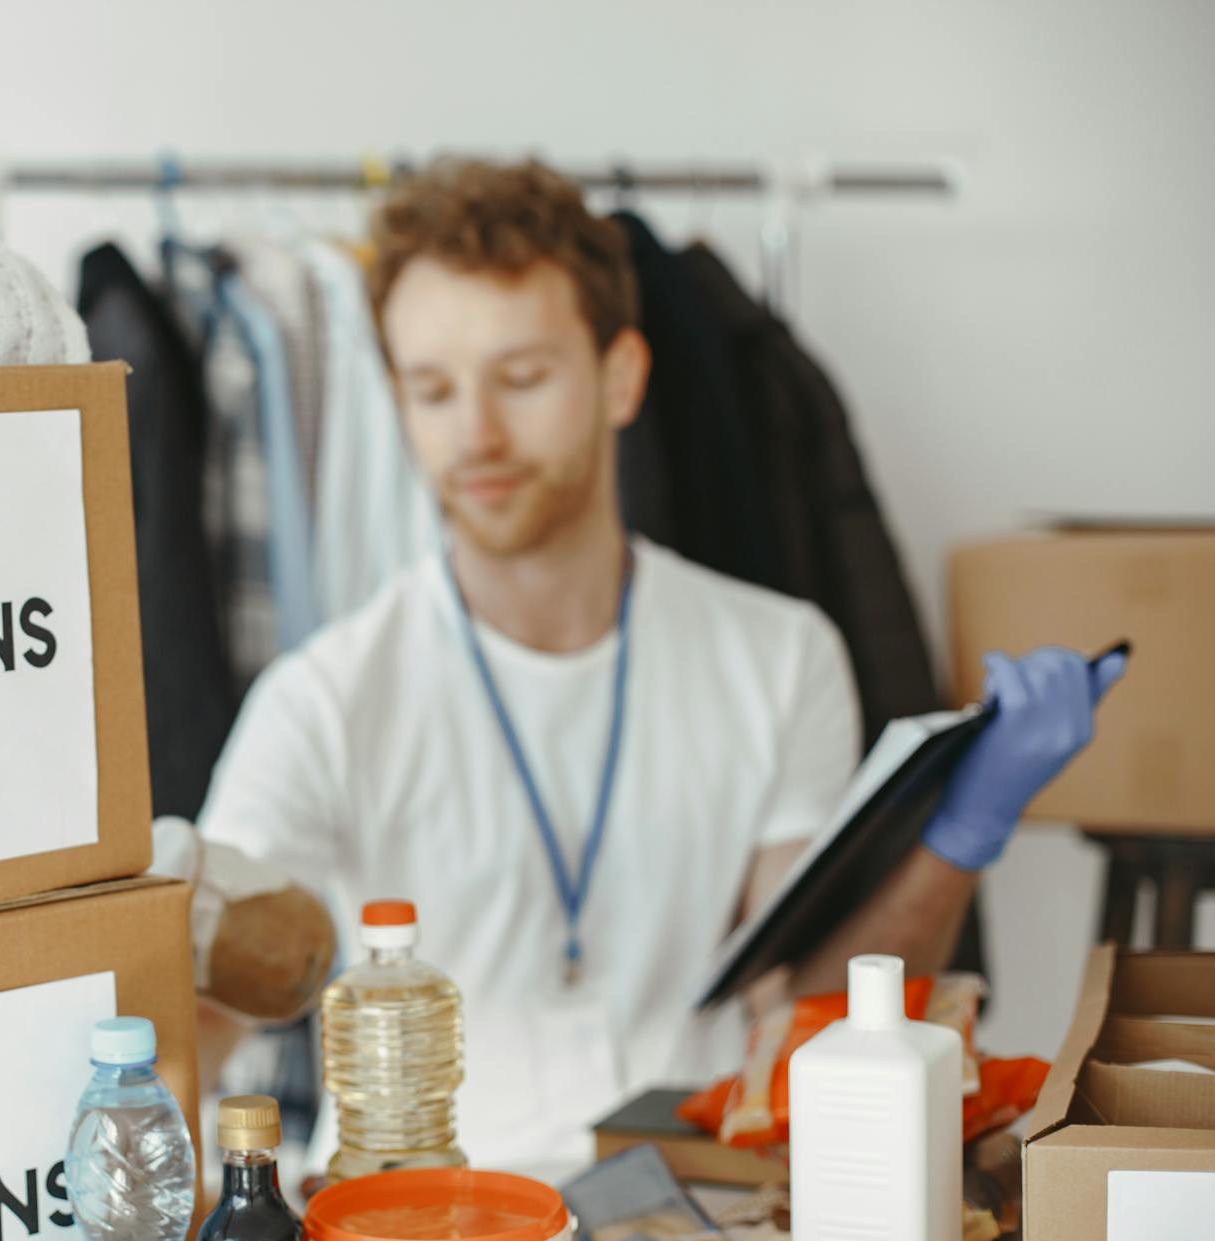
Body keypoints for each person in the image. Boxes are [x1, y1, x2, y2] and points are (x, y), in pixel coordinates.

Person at [194, 158, 1124, 1171]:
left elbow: (814, 1004)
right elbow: (204, 1010)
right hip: (424, 1227)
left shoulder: (778, 654)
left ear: (623, 377)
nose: (477, 432)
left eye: (522, 376)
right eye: (432, 389)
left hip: (700, 1212)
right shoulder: (323, 697)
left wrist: (959, 833)